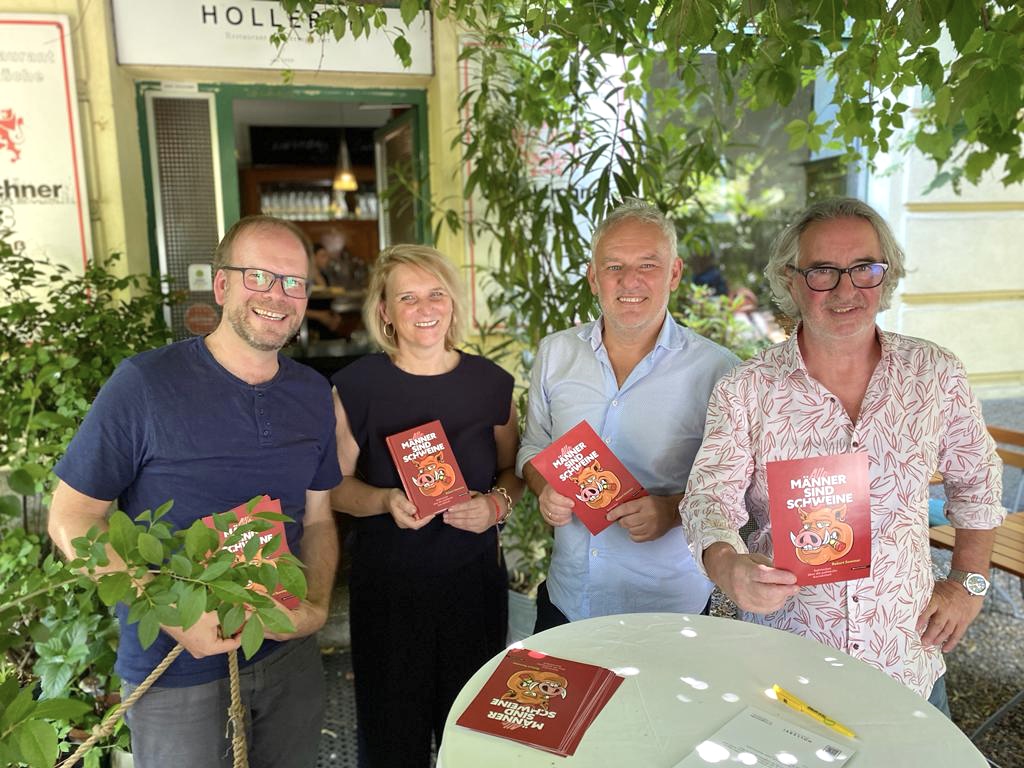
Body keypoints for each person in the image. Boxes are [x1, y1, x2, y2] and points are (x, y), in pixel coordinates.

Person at [680, 197, 1005, 714]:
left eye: (864, 269)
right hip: (788, 655)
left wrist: (968, 582)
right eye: (823, 272)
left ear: (886, 274)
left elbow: (978, 480)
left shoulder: (935, 373)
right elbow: (707, 499)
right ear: (791, 280)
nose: (846, 289)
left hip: (906, 657)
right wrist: (727, 566)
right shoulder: (747, 389)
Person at [48, 215, 342, 768]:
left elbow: (320, 518)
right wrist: (170, 614)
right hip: (175, 667)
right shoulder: (145, 384)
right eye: (259, 276)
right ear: (223, 284)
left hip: (287, 658)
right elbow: (71, 518)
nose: (277, 296)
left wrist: (317, 607)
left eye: (293, 282)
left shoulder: (311, 393)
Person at [330, 244, 523, 768]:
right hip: (388, 590)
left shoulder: (490, 384)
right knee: (392, 740)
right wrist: (385, 499)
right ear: (385, 310)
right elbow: (336, 487)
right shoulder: (356, 386)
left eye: (435, 293)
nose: (425, 308)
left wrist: (494, 507)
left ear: (453, 302)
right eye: (407, 297)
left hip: (473, 584)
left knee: (475, 738)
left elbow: (515, 474)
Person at [516, 199, 739, 632]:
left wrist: (672, 510)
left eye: (648, 265)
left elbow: (735, 490)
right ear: (592, 277)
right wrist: (544, 487)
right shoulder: (555, 353)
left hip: (671, 607)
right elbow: (534, 444)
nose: (630, 281)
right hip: (569, 599)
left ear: (674, 273)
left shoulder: (719, 371)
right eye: (614, 267)